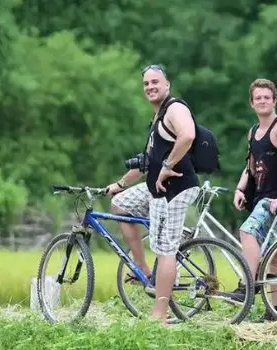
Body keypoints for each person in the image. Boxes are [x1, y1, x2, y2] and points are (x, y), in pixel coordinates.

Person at [105, 64, 201, 324]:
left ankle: (159, 314)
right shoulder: (157, 118)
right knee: (120, 204)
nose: (150, 87)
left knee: (165, 249)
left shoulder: (175, 109)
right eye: (146, 83)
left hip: (175, 189)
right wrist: (120, 184)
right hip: (156, 190)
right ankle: (143, 271)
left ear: (167, 84)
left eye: (155, 82)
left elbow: (188, 135)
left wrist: (167, 167)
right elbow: (147, 162)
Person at [229, 78, 277, 322]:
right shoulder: (253, 131)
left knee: (247, 231)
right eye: (258, 98)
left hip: (276, 197)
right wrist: (240, 189)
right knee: (275, 254)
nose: (262, 101)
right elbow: (250, 166)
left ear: (274, 101)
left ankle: (247, 285)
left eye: (266, 97)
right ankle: (276, 312)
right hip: (260, 195)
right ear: (252, 103)